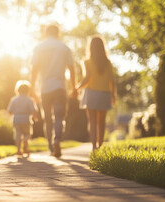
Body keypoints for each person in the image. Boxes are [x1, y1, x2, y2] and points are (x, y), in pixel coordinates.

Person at [30, 23, 76, 158]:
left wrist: (32, 89)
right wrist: (74, 88)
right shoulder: (64, 48)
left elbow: (34, 70)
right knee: (59, 117)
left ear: (46, 33)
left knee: (48, 119)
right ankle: (57, 140)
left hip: (44, 88)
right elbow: (71, 69)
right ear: (58, 33)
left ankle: (51, 147)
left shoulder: (38, 48)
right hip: (60, 86)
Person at [76, 35, 116, 151]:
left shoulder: (87, 62)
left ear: (90, 47)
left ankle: (94, 146)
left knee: (92, 121)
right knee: (101, 122)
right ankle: (100, 145)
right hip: (105, 93)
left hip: (92, 93)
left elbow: (87, 78)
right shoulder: (107, 62)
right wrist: (113, 95)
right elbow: (111, 80)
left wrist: (77, 88)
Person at [8, 80, 39, 157]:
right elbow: (33, 110)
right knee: (27, 134)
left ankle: (19, 150)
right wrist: (35, 117)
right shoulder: (30, 100)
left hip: (16, 119)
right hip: (26, 119)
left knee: (18, 134)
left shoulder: (14, 99)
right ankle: (26, 144)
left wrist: (12, 114)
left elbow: (9, 111)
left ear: (17, 90)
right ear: (28, 90)